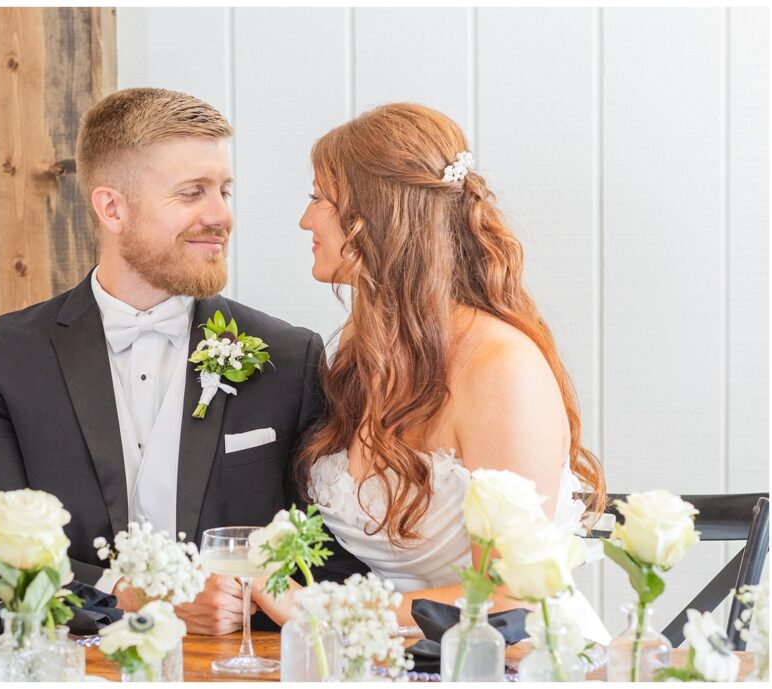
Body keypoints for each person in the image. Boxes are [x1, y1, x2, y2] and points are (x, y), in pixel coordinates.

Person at [0, 87, 366, 636]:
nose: (220, 215)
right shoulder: (6, 357)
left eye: (224, 190)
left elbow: (331, 551)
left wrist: (249, 595)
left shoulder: (289, 356)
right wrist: (127, 596)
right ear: (112, 207)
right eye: (192, 192)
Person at [251, 102, 611, 645]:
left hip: (514, 661)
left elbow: (510, 600)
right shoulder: (365, 355)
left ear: (375, 214)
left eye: (318, 198)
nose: (306, 220)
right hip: (401, 660)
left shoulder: (500, 369)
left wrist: (322, 607)